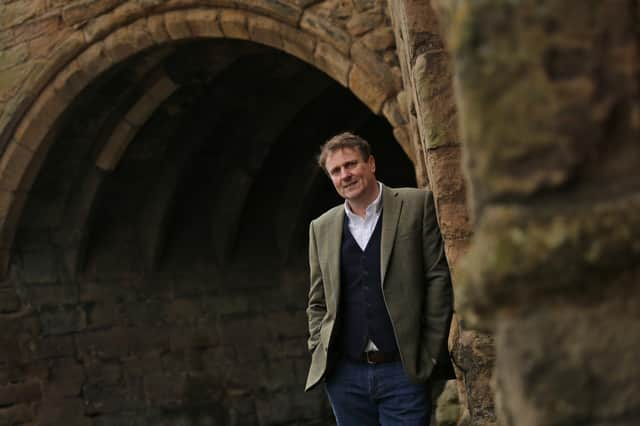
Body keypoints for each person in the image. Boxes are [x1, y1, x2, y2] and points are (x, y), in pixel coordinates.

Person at [305, 132, 454, 425]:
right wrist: (319, 346)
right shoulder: (320, 227)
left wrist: (430, 352)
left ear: (370, 164)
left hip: (403, 369)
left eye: (351, 165)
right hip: (346, 377)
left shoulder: (416, 205)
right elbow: (317, 301)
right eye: (336, 171)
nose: (345, 175)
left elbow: (437, 278)